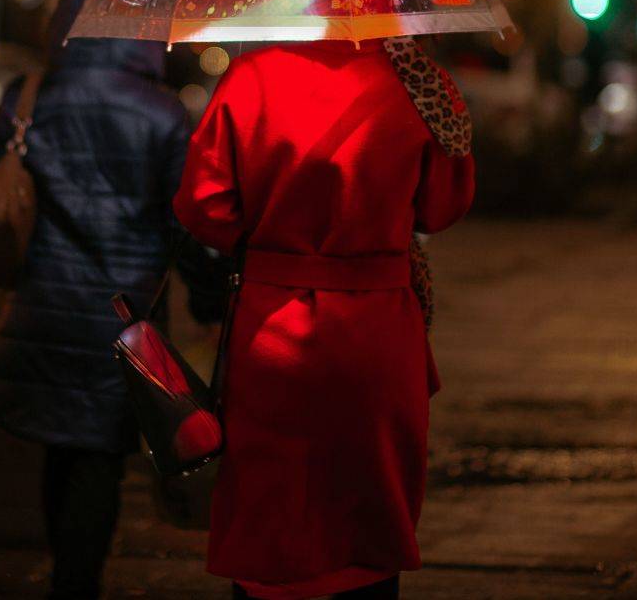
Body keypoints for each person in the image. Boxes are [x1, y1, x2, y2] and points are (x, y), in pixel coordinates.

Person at [174, 34, 475, 600]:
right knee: (369, 519)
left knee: (272, 518)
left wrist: (267, 240)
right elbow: (443, 207)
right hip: (379, 336)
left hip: (274, 331)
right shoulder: (417, 80)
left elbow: (203, 206)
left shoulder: (252, 76)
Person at [0, 0, 209, 600]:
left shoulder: (27, 96)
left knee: (60, 449)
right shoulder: (162, 115)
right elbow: (187, 222)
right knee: (98, 460)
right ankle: (77, 585)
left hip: (44, 308)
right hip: (124, 318)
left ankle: (66, 577)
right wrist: (210, 295)